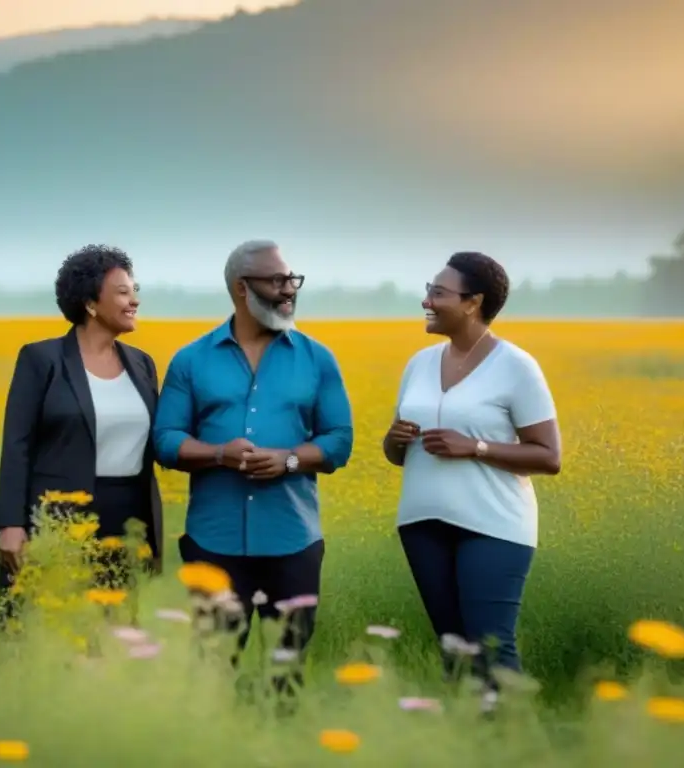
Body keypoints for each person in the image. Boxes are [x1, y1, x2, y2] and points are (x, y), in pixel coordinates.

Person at [153, 239, 354, 692]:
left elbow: (339, 442)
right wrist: (220, 454)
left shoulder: (317, 359)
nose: (289, 290)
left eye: (291, 279)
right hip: (214, 543)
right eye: (277, 280)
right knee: (210, 669)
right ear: (242, 288)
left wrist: (288, 460)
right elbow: (165, 440)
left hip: (293, 541)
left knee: (288, 672)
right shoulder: (191, 359)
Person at [382, 251, 561, 708]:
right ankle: (467, 744)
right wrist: (395, 437)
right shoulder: (419, 364)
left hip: (494, 526)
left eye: (437, 293)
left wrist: (476, 446)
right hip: (422, 523)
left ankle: (516, 744)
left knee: (491, 646)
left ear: (471, 303)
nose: (426, 300)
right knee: (454, 649)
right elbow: (396, 454)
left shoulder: (516, 366)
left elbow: (548, 455)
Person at [0, 244, 163, 633]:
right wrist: (11, 524)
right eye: (122, 291)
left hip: (126, 519)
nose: (134, 300)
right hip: (57, 517)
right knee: (41, 633)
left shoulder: (142, 363)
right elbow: (17, 444)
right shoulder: (41, 360)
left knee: (114, 634)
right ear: (89, 303)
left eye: (135, 290)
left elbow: (162, 438)